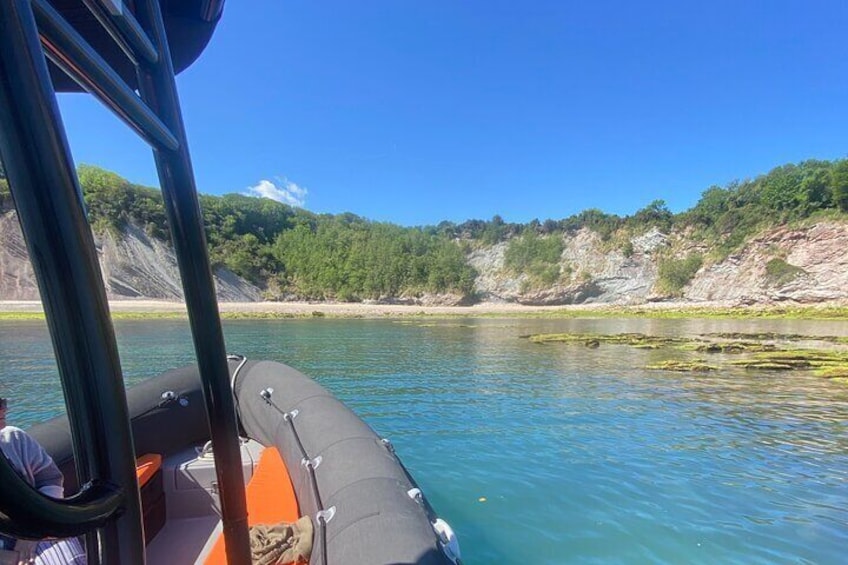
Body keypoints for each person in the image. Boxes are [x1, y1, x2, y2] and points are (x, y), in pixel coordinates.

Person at [0, 397, 86, 565]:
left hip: (35, 523)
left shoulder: (15, 440)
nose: (3, 409)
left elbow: (49, 478)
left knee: (70, 559)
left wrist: (34, 530)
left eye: (1, 402)